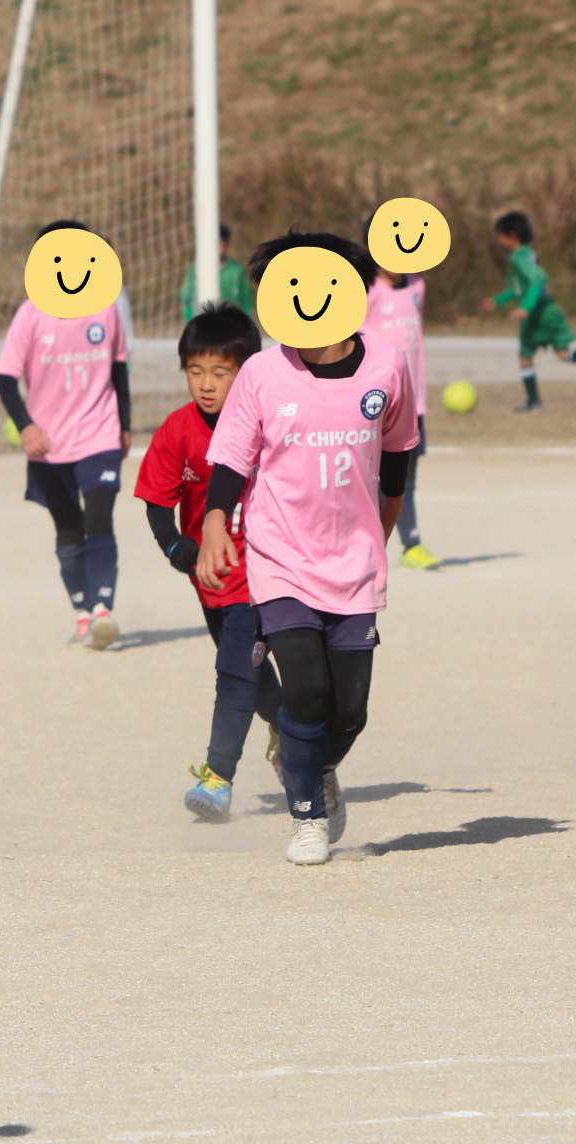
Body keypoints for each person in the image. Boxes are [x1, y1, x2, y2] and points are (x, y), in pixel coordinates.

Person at [198, 231, 421, 866]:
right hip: (281, 560)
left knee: (350, 710)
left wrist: (382, 532)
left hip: (354, 565)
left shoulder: (387, 365)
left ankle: (309, 764)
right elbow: (232, 457)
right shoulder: (262, 373)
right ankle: (307, 818)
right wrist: (215, 521)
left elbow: (398, 457)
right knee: (306, 692)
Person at [135, 303, 281, 819]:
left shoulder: (272, 420)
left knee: (234, 672)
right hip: (210, 576)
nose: (206, 384)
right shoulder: (178, 428)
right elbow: (157, 499)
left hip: (266, 572)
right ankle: (294, 734)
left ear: (249, 371)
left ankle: (217, 778)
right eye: (195, 371)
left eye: (221, 372)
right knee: (249, 673)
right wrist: (175, 546)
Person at [0, 218, 132, 649]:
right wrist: (26, 426)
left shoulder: (105, 309)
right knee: (69, 530)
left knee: (99, 518)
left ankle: (102, 610)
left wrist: (124, 424)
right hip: (49, 445)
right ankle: (82, 609)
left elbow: (119, 371)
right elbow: (5, 378)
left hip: (99, 434)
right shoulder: (29, 315)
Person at [480, 211, 576, 413]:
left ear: (512, 235)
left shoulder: (518, 257)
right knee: (562, 352)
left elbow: (539, 279)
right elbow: (519, 288)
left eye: (500, 235)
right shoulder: (528, 253)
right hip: (549, 309)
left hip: (538, 315)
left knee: (525, 356)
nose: (499, 240)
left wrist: (526, 307)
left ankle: (534, 401)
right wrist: (497, 301)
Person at [366, 246, 439, 568]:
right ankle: (363, 544)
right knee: (364, 477)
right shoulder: (365, 289)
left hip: (412, 401)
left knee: (405, 479)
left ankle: (411, 543)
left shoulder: (417, 285)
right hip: (373, 402)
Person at [178, 224, 257, 321]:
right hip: (204, 324)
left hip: (232, 323)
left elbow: (247, 301)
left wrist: (244, 322)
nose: (214, 248)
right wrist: (191, 321)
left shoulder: (236, 270)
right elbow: (186, 301)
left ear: (228, 244)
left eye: (219, 244)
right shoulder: (197, 270)